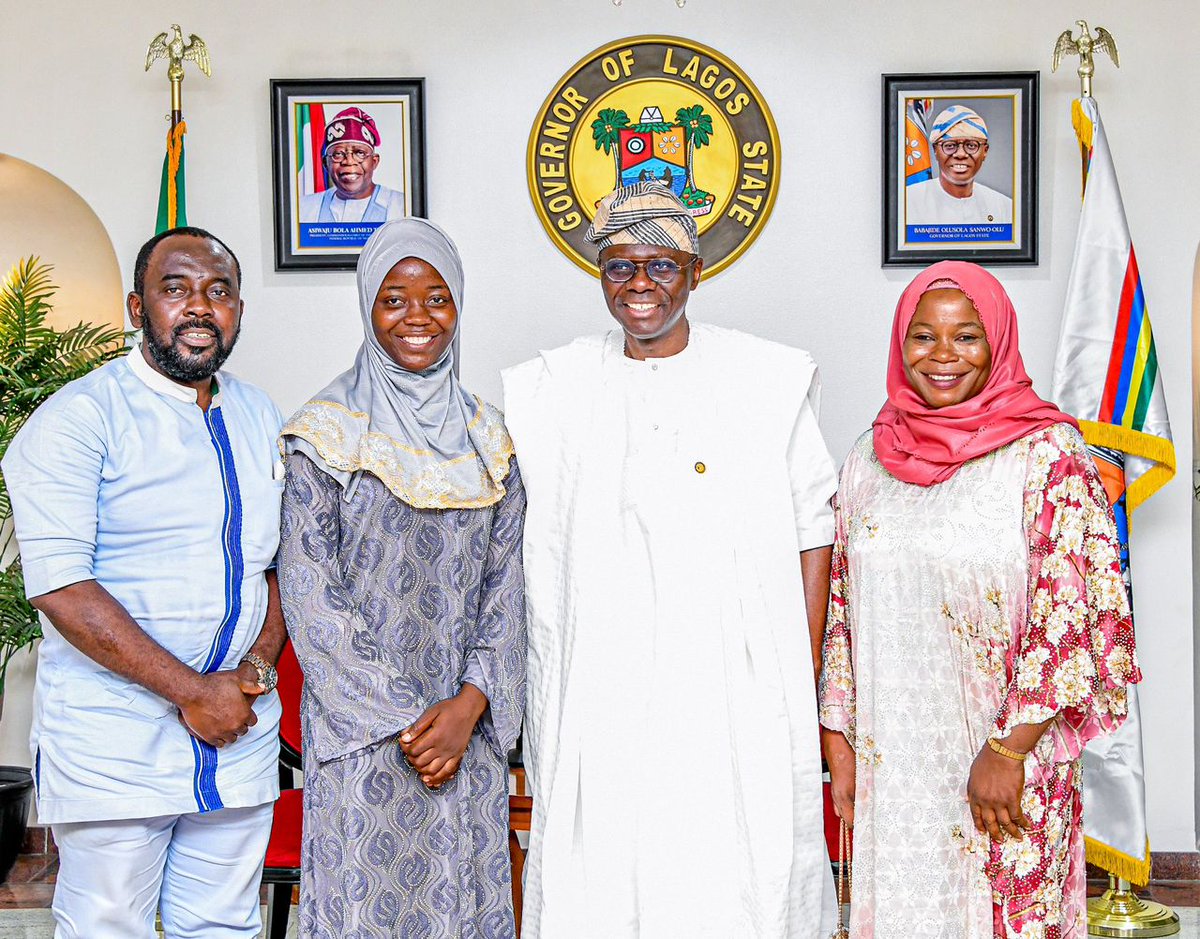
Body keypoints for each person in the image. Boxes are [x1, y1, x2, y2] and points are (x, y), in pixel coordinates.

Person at [502, 181, 840, 938]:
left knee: (727, 869)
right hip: (603, 689)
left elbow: (810, 528)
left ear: (695, 271)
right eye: (620, 266)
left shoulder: (764, 379)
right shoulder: (554, 387)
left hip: (730, 687)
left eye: (660, 265)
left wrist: (801, 663)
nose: (640, 284)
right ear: (600, 274)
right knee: (607, 869)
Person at [819, 261, 1141, 938]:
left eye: (966, 336)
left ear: (997, 342)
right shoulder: (869, 459)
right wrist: (838, 740)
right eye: (923, 336)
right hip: (894, 760)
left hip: (1001, 760)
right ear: (900, 343)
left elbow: (1072, 615)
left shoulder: (1048, 454)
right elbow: (842, 610)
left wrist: (1009, 751)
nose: (943, 355)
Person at [2, 227, 287, 938]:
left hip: (238, 735)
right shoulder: (78, 418)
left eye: (219, 291)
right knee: (108, 928)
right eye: (176, 288)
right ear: (137, 307)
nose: (200, 306)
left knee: (225, 926)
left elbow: (280, 565)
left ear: (239, 309)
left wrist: (252, 672)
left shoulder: (258, 413)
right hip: (116, 743)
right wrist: (193, 692)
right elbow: (62, 587)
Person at [278, 217, 526, 938]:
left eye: (436, 298)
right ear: (367, 306)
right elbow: (310, 592)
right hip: (364, 741)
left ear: (459, 305)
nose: (417, 317)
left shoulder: (492, 439)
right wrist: (413, 723)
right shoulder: (324, 435)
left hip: (467, 737)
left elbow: (508, 586)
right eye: (394, 299)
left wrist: (468, 707)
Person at [906, 105, 1013, 225]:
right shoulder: (907, 203)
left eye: (971, 145)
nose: (961, 154)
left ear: (985, 151)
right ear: (935, 150)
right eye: (950, 145)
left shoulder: (1004, 208)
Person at [299, 106, 406, 224]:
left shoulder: (402, 207)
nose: (349, 161)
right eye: (338, 154)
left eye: (360, 153)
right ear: (326, 164)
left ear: (374, 161)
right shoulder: (303, 208)